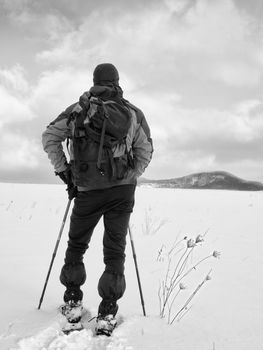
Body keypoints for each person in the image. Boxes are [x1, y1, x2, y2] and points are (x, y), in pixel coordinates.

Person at [42, 63, 153, 335]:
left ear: (95, 81)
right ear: (116, 81)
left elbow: (49, 137)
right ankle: (107, 314)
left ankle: (72, 302)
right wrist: (129, 176)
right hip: (121, 193)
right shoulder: (132, 113)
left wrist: (66, 173)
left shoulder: (78, 109)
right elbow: (145, 151)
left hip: (87, 191)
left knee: (76, 245)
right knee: (115, 251)